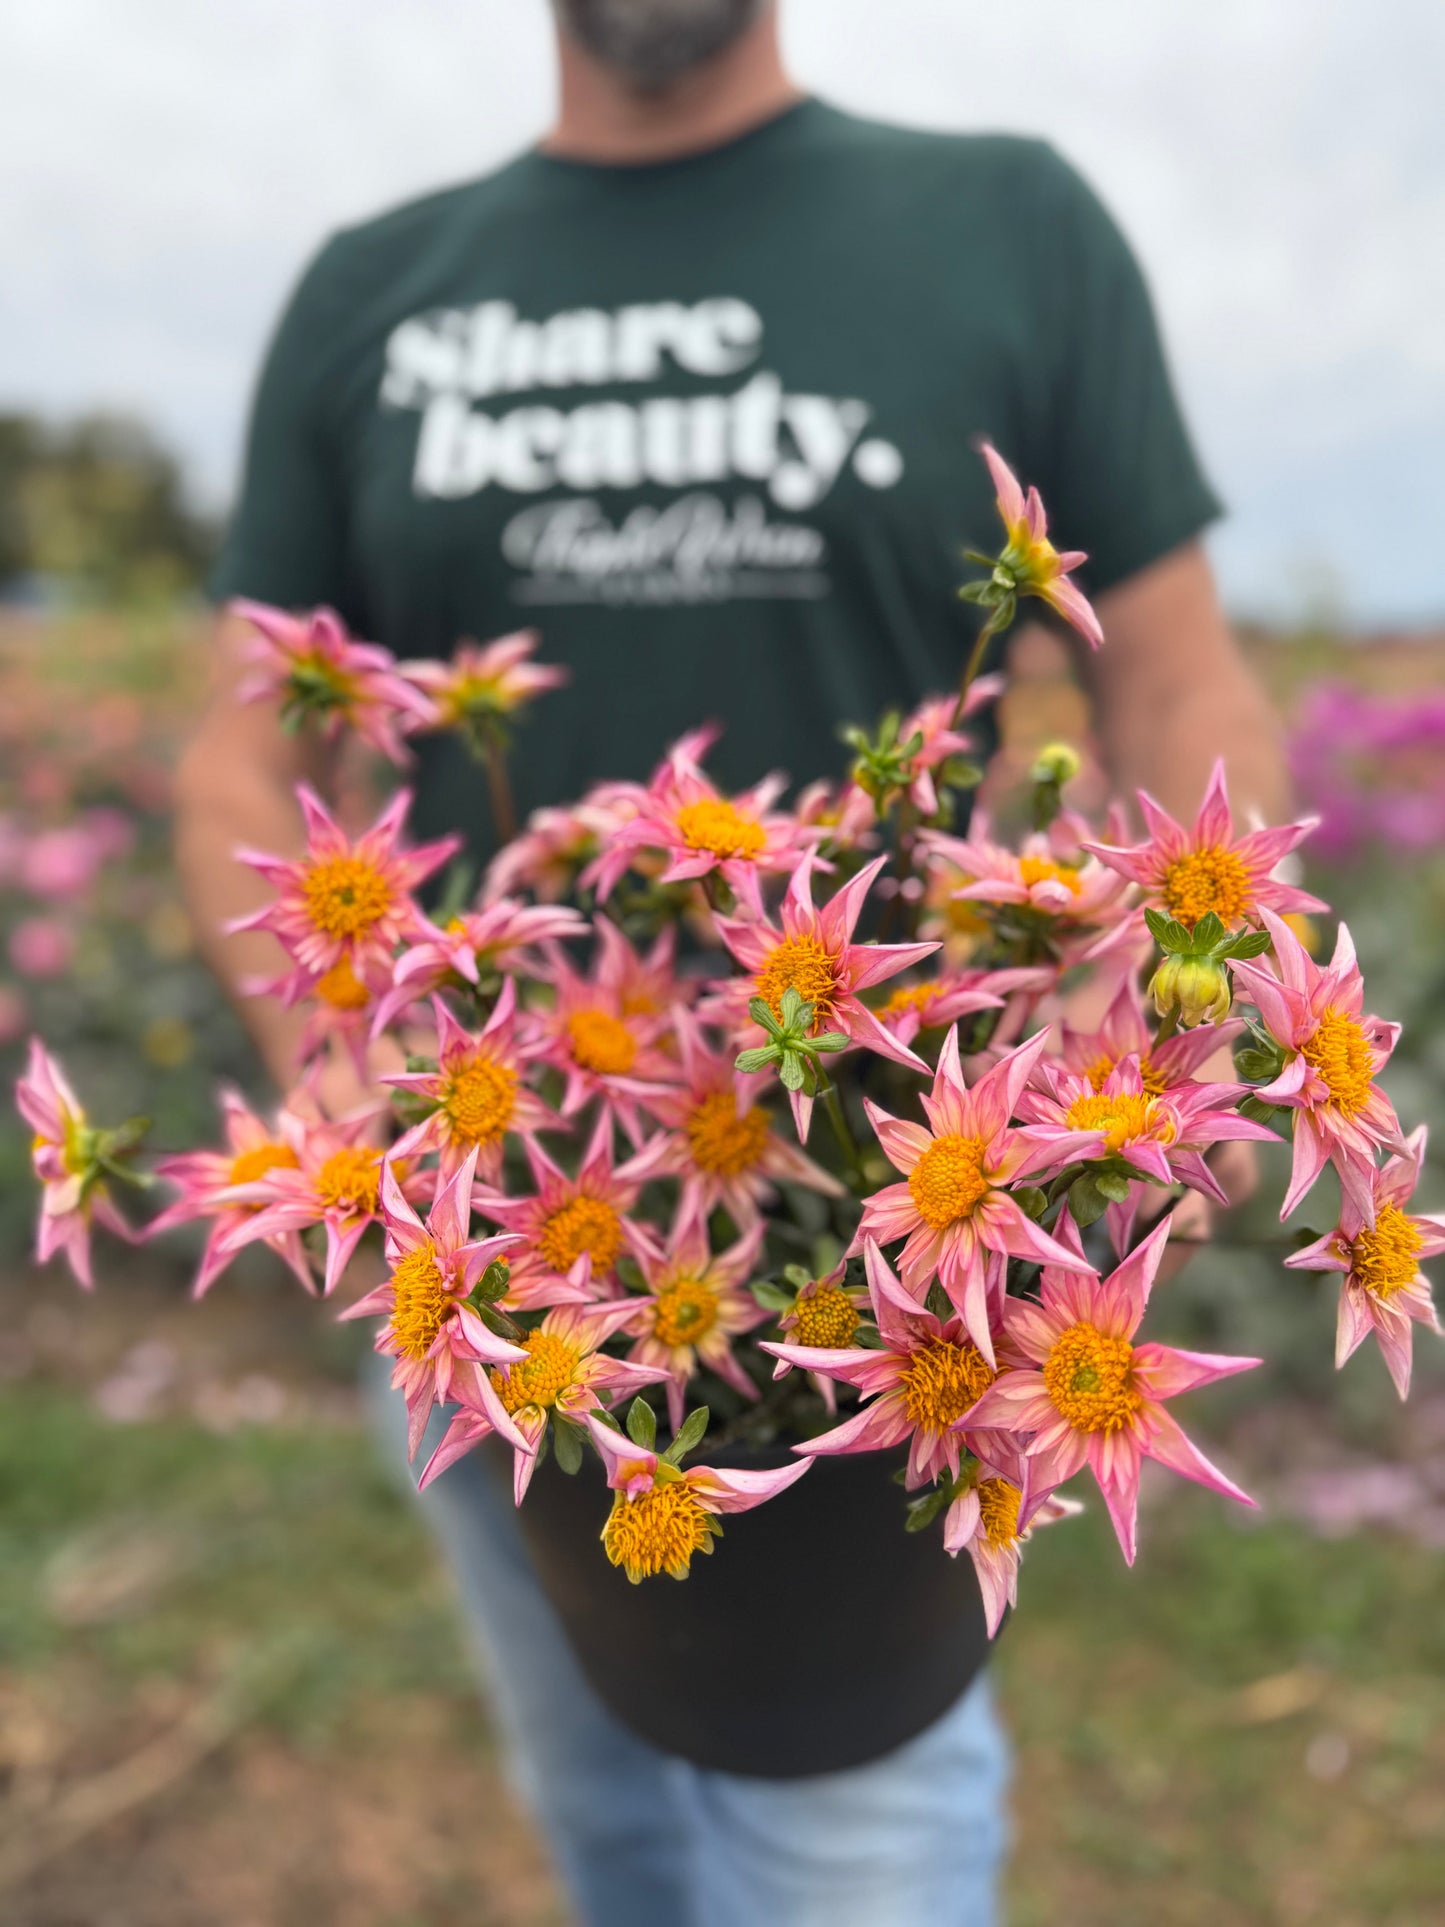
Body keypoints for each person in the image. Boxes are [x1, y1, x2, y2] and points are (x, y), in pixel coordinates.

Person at [176, 3, 1290, 1921]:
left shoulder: (1007, 221)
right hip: (478, 1238)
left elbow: (1179, 681)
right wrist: (329, 1079)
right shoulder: (373, 291)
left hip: (904, 1229)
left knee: (857, 1825)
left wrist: (1171, 994)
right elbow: (237, 753)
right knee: (598, 1799)